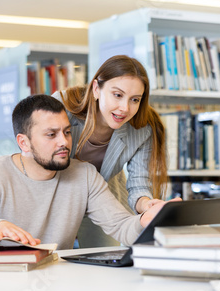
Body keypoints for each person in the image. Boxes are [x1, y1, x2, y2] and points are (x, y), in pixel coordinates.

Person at [0, 94, 171, 250]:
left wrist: (145, 220)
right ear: (24, 142)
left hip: (56, 282)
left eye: (67, 132)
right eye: (51, 135)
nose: (64, 142)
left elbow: (121, 227)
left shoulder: (85, 175)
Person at [52, 55, 168, 247]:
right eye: (117, 95)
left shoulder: (142, 129)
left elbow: (138, 184)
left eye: (135, 99)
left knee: (108, 258)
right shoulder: (62, 106)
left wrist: (147, 205)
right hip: (56, 193)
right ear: (96, 89)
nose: (125, 108)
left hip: (103, 195)